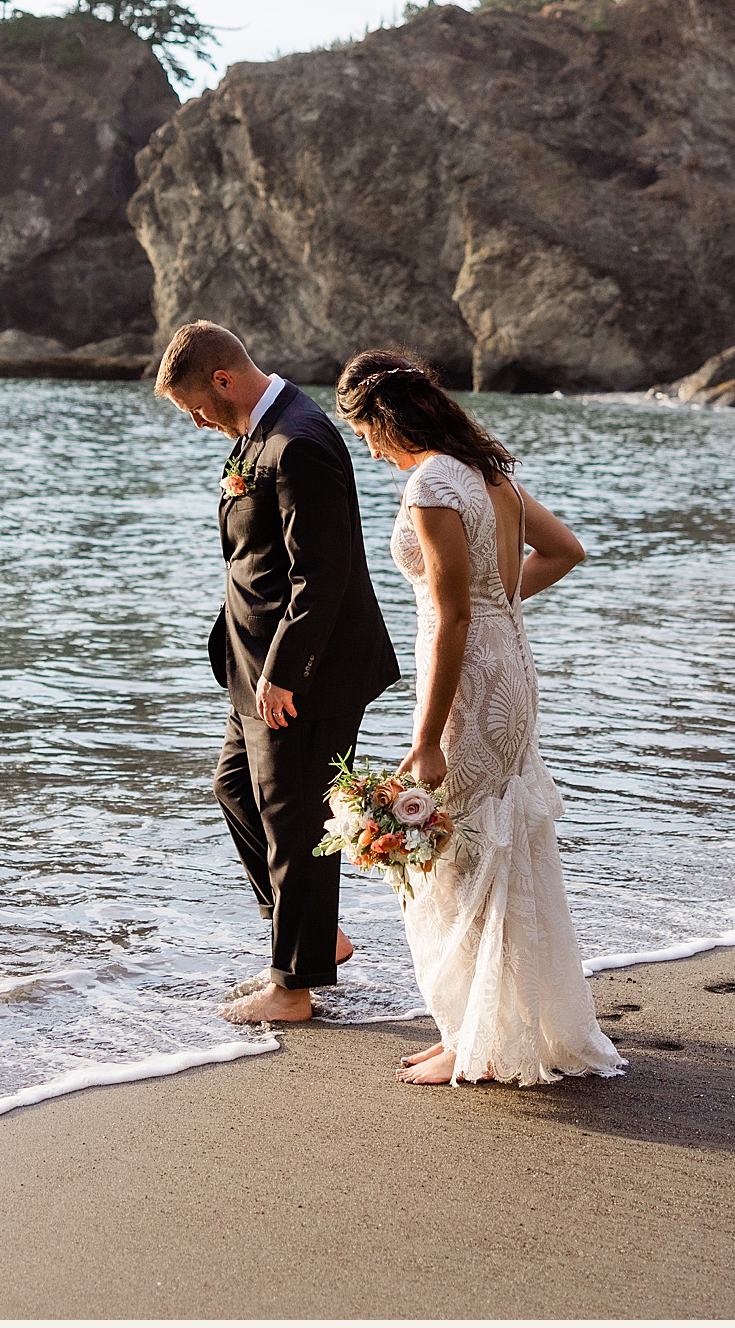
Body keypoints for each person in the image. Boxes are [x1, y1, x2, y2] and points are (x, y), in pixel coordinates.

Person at [334, 348, 625, 1086]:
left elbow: (453, 612)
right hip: (512, 667)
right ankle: (481, 1029)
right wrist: (501, 602)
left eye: (367, 431)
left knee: (453, 857)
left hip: (467, 675)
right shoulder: (487, 474)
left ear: (390, 417)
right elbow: (564, 552)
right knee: (493, 845)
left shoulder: (434, 482)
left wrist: (426, 739)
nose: (368, 449)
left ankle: (475, 1039)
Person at [154, 322, 401, 1026]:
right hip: (254, 666)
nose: (199, 424)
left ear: (223, 381)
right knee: (236, 788)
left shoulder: (298, 443)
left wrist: (287, 671)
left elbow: (321, 575)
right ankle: (313, 936)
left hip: (302, 672)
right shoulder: (261, 435)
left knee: (296, 821)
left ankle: (293, 987)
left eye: (196, 408)